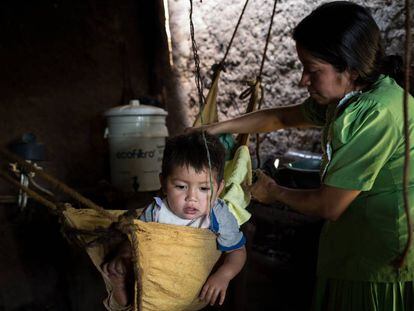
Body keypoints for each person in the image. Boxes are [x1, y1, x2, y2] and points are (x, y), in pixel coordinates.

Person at [191, 1, 414, 310]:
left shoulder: (376, 111)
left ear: (349, 67)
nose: (302, 81)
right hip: (354, 244)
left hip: (379, 256)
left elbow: (330, 205)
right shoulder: (350, 97)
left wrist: (273, 192)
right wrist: (214, 128)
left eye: (312, 70)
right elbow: (281, 118)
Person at [102, 131, 247, 310]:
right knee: (124, 284)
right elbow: (135, 239)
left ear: (218, 190)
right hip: (157, 279)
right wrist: (123, 255)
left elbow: (238, 251)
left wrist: (224, 275)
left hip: (193, 285)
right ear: (163, 183)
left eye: (204, 188)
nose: (192, 198)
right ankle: (121, 288)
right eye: (180, 187)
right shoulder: (156, 211)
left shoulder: (219, 216)